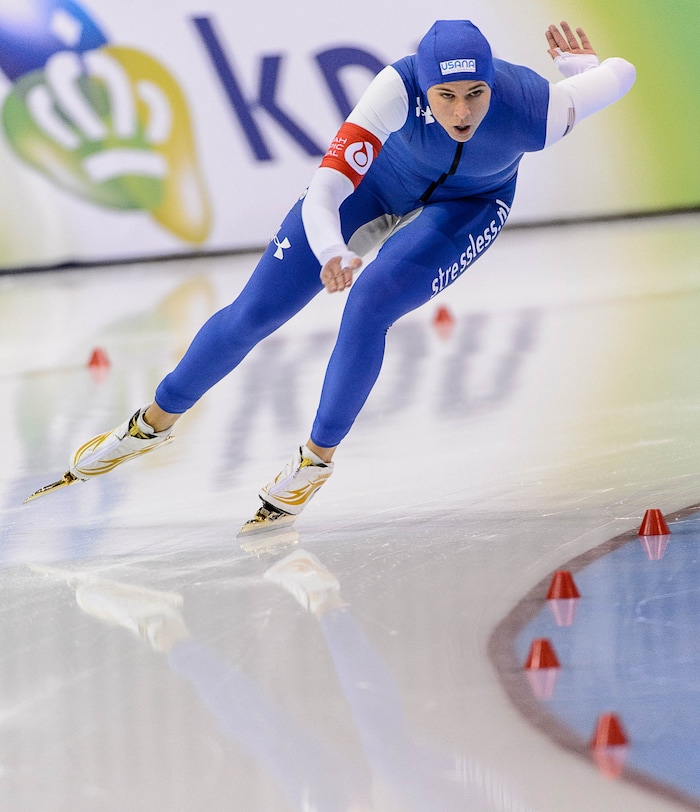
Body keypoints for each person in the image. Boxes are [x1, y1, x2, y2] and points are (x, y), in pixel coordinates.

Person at [26, 20, 636, 535]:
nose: (461, 112)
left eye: (475, 94)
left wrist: (582, 74)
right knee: (254, 313)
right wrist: (329, 252)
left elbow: (623, 71)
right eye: (445, 96)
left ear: (492, 87)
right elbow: (325, 192)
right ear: (422, 86)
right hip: (373, 188)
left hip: (471, 205)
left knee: (371, 303)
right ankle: (152, 424)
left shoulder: (539, 109)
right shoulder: (392, 91)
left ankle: (314, 464)